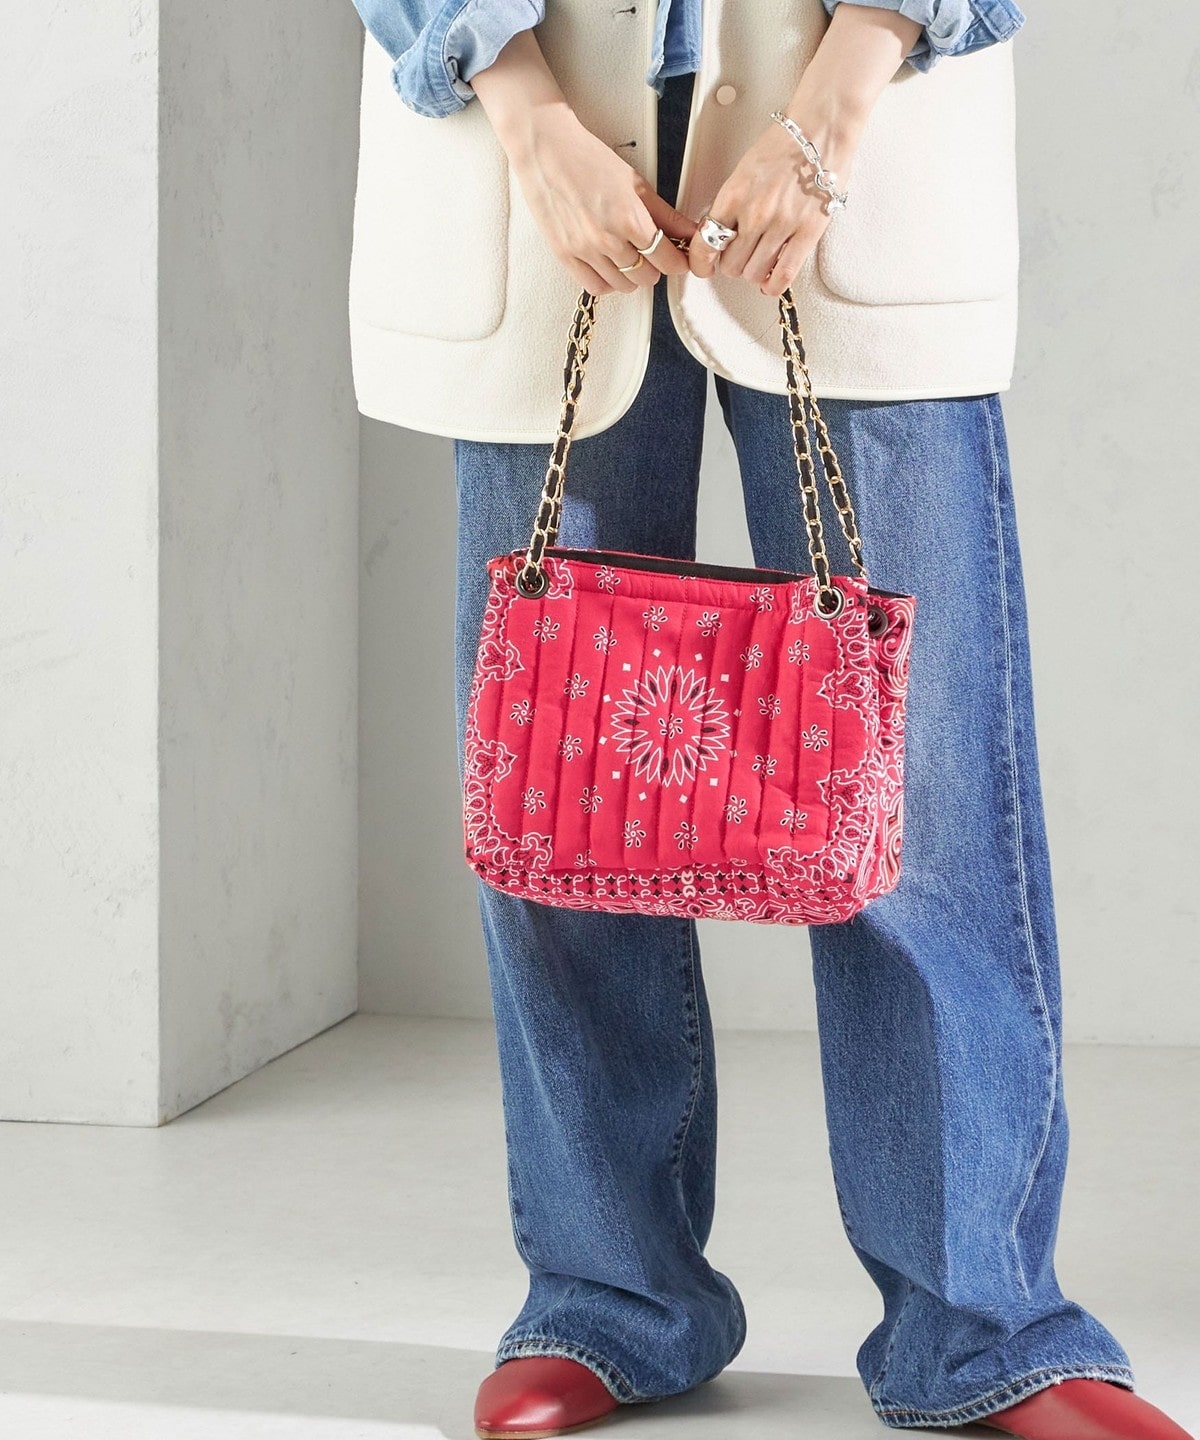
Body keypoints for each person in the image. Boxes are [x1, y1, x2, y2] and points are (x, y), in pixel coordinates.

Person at [345, 3, 1194, 1437]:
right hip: (533, 158)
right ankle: (607, 1298)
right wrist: (530, 117)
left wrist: (838, 102)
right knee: (562, 794)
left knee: (920, 802)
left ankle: (983, 1325)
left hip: (855, 138)